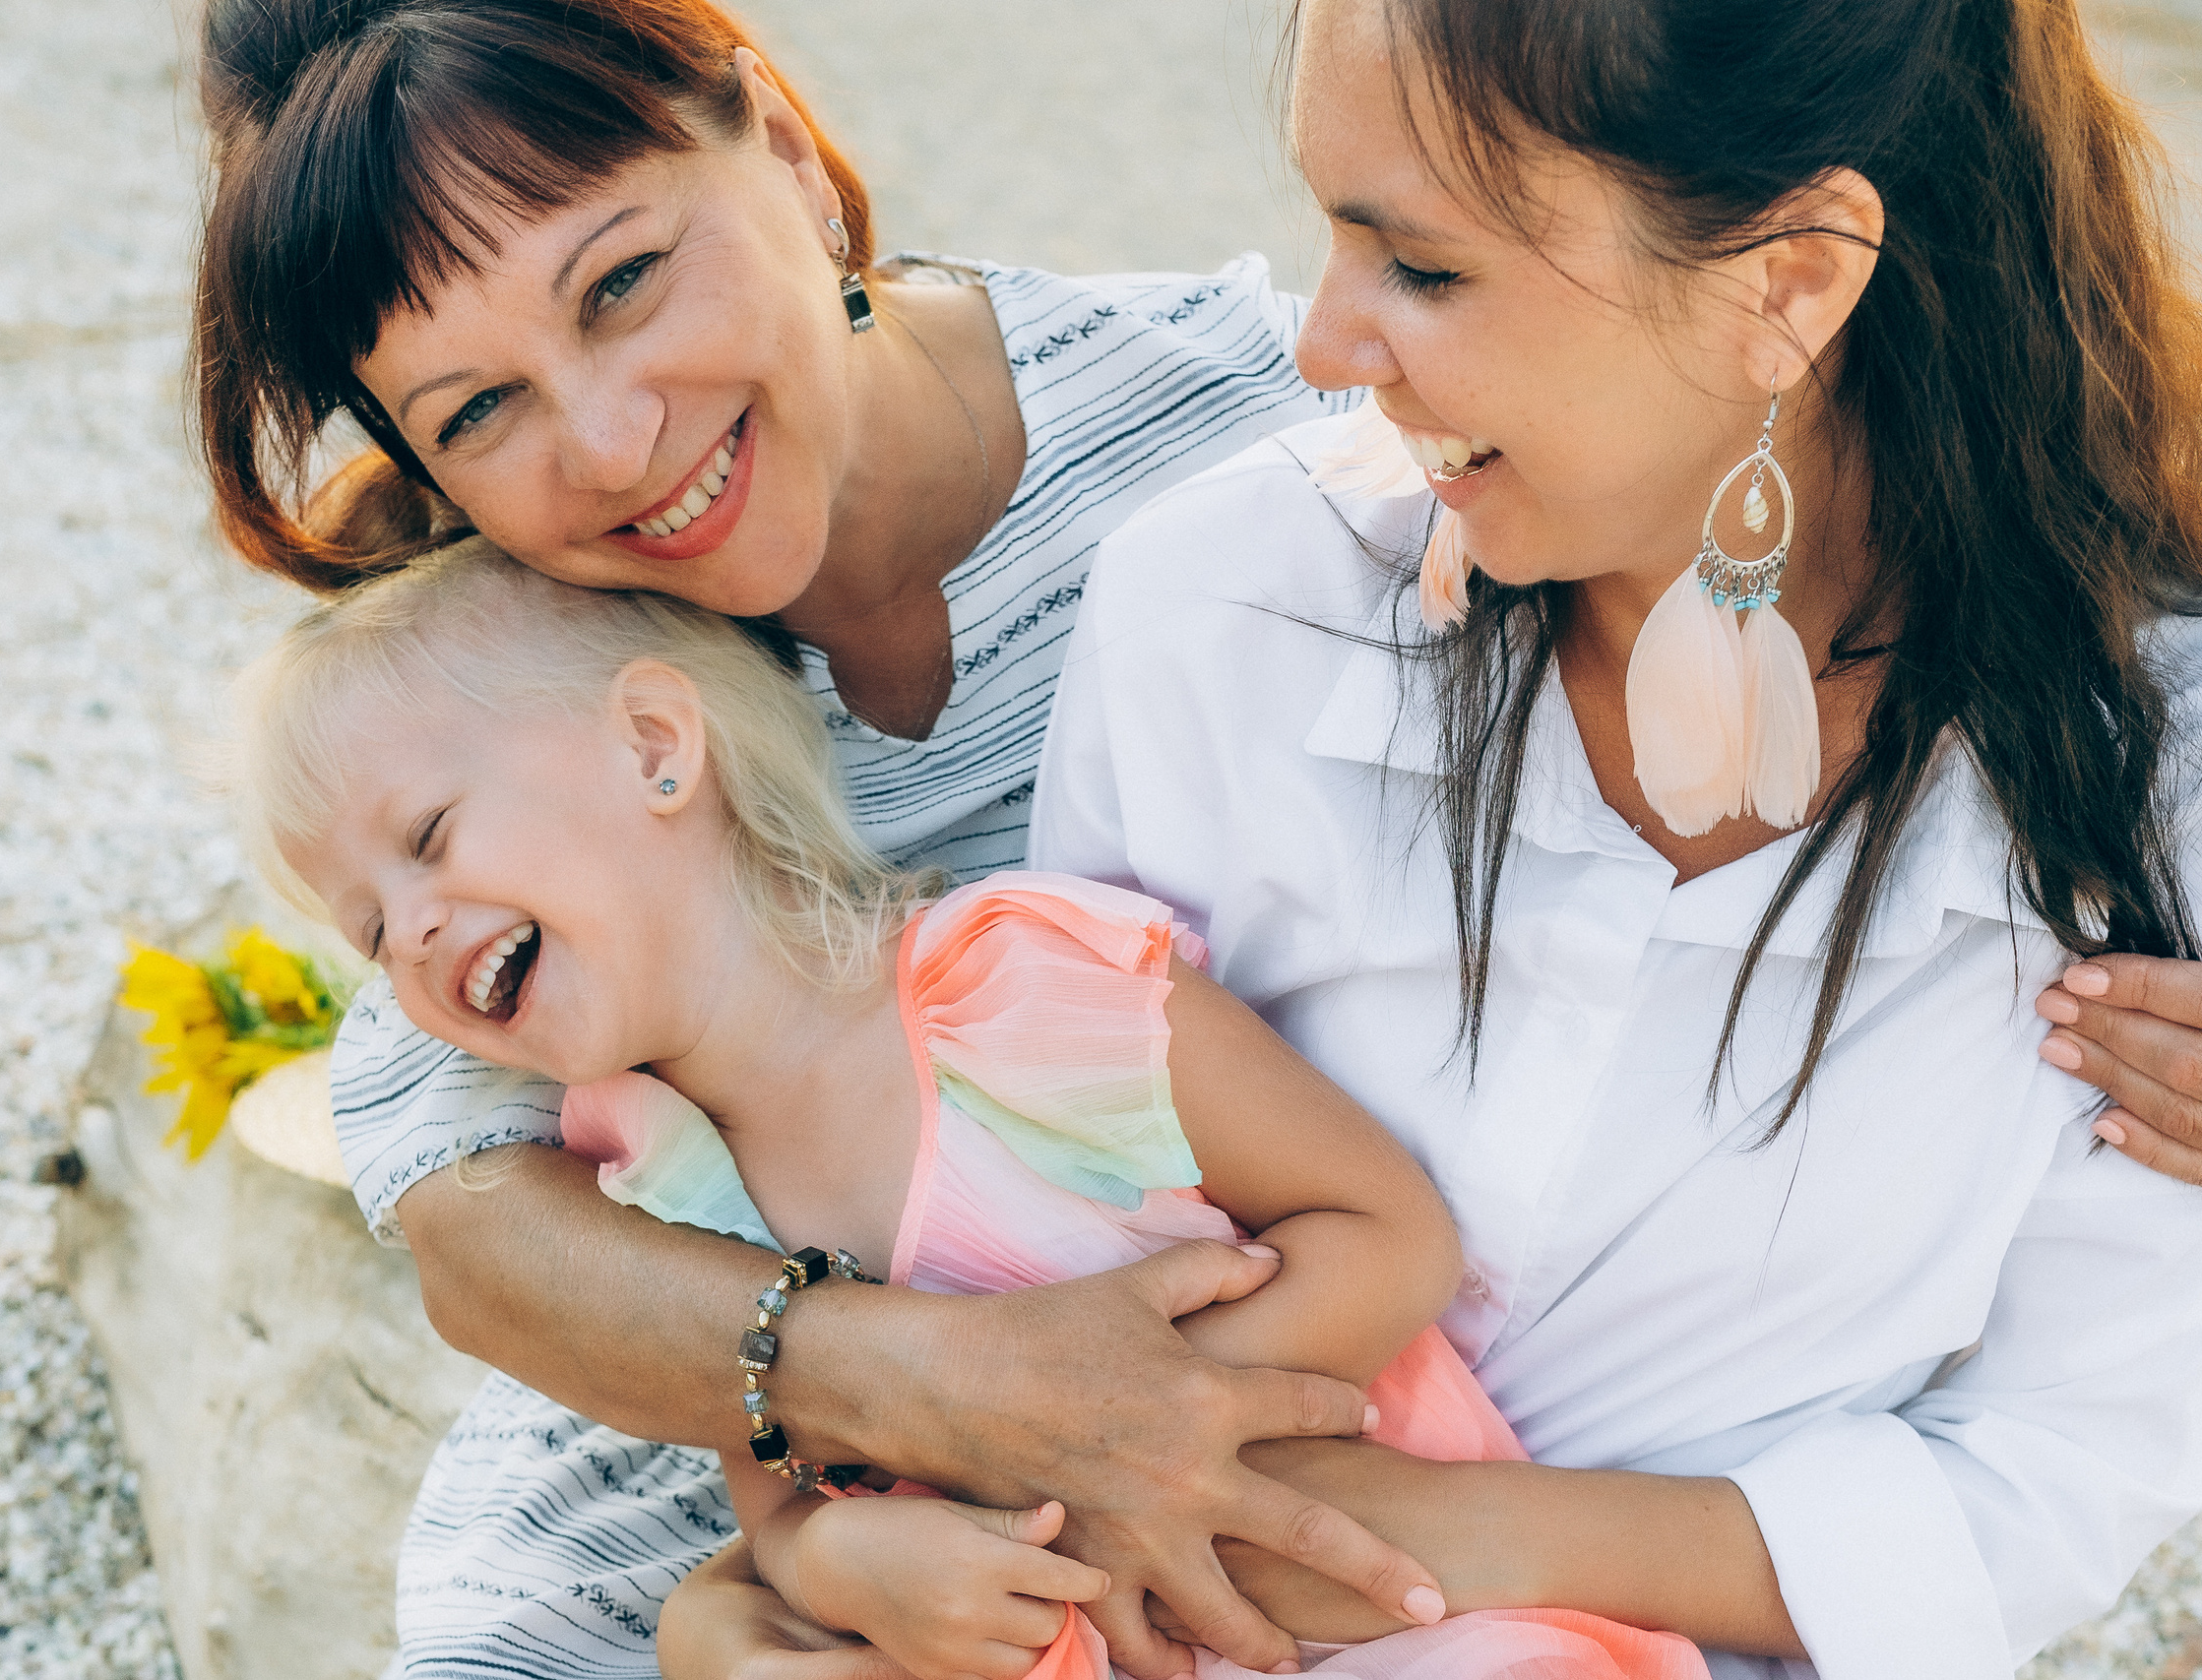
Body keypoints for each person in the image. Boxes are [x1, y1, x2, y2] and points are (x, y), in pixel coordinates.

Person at [187, 0, 2202, 1674]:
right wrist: (818, 1530)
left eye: (626, 281)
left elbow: (2051, 1459)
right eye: (473, 408)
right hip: (878, 1498)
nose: (611, 434)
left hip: (1206, 1501)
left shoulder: (1220, 460)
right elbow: (479, 1202)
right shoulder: (532, 645)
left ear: (774, 136)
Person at [1007, 0, 2202, 1672]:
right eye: (1333, 234)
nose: (1325, 344)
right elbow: (1011, 1216)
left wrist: (1455, 1545)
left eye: (1427, 270)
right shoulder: (1222, 607)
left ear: (1791, 284)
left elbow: (2060, 1464)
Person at [240, 536, 1713, 1680]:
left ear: (654, 747)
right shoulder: (664, 1182)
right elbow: (783, 1488)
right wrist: (843, 1567)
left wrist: (1134, 1425)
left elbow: (1386, 1233)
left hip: (1379, 1610)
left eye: (429, 841)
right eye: (368, 928)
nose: (414, 934)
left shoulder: (1016, 996)